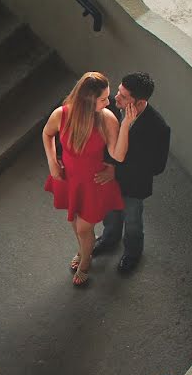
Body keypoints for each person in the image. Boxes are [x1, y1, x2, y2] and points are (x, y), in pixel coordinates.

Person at [43, 72, 136, 285]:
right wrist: (52, 161)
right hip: (70, 178)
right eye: (103, 99)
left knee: (84, 228)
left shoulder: (107, 118)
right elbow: (47, 134)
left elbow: (118, 155)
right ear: (87, 100)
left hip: (94, 183)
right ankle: (84, 249)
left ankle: (85, 261)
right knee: (75, 223)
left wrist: (126, 126)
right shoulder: (62, 114)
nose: (109, 102)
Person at [92, 72, 171, 273]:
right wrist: (109, 166)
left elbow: (157, 167)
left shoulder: (158, 128)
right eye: (119, 91)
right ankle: (109, 239)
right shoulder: (110, 106)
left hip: (134, 185)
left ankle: (132, 253)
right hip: (109, 177)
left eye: (124, 96)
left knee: (133, 221)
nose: (116, 97)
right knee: (110, 213)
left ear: (140, 102)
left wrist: (119, 166)